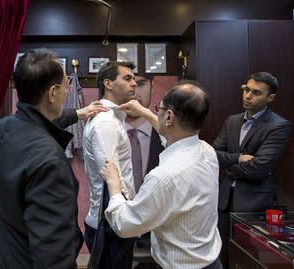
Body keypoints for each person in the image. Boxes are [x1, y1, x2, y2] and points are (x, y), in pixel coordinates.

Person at [0, 48, 106, 269]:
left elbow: (39, 121)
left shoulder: (1, 129)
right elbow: (53, 256)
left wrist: (79, 113)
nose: (68, 89)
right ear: (52, 94)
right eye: (65, 86)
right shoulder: (50, 162)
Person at [101, 81, 223, 269]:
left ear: (169, 117)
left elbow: (125, 225)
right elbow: (173, 139)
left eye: (160, 108)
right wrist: (145, 112)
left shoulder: (163, 177)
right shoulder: (207, 151)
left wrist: (114, 185)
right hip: (212, 262)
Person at [212, 72, 292, 268]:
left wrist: (229, 167)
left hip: (254, 205)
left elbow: (259, 168)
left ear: (270, 98)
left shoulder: (278, 126)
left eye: (256, 93)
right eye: (246, 89)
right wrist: (238, 158)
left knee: (248, 259)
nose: (248, 95)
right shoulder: (232, 121)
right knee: (222, 255)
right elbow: (213, 153)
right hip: (224, 201)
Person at [82, 61, 137, 268]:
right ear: (108, 83)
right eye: (127, 78)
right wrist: (126, 219)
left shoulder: (114, 118)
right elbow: (110, 176)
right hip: (110, 224)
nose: (134, 83)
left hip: (114, 221)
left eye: (134, 79)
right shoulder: (106, 121)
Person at [125, 74, 164, 268]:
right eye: (127, 82)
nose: (133, 90)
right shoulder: (103, 131)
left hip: (160, 234)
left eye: (140, 84)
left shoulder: (169, 135)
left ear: (152, 86)